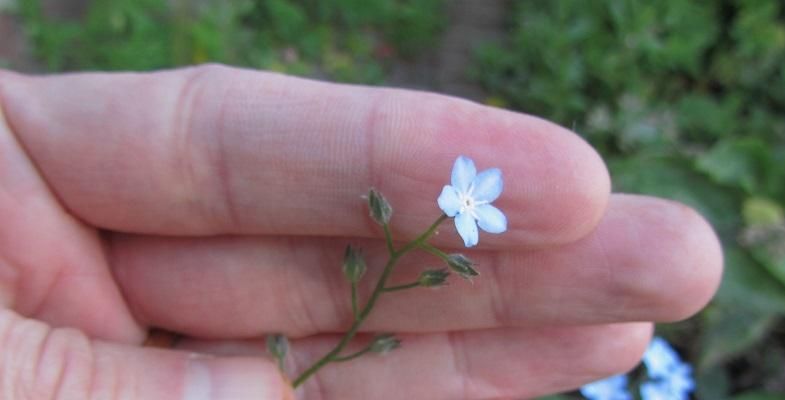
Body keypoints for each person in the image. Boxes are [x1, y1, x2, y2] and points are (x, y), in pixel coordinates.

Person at [0, 64, 722, 400]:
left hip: (415, 262)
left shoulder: (458, 223)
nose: (467, 204)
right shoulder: (446, 213)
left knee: (362, 318)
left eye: (470, 203)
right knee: (347, 325)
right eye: (467, 200)